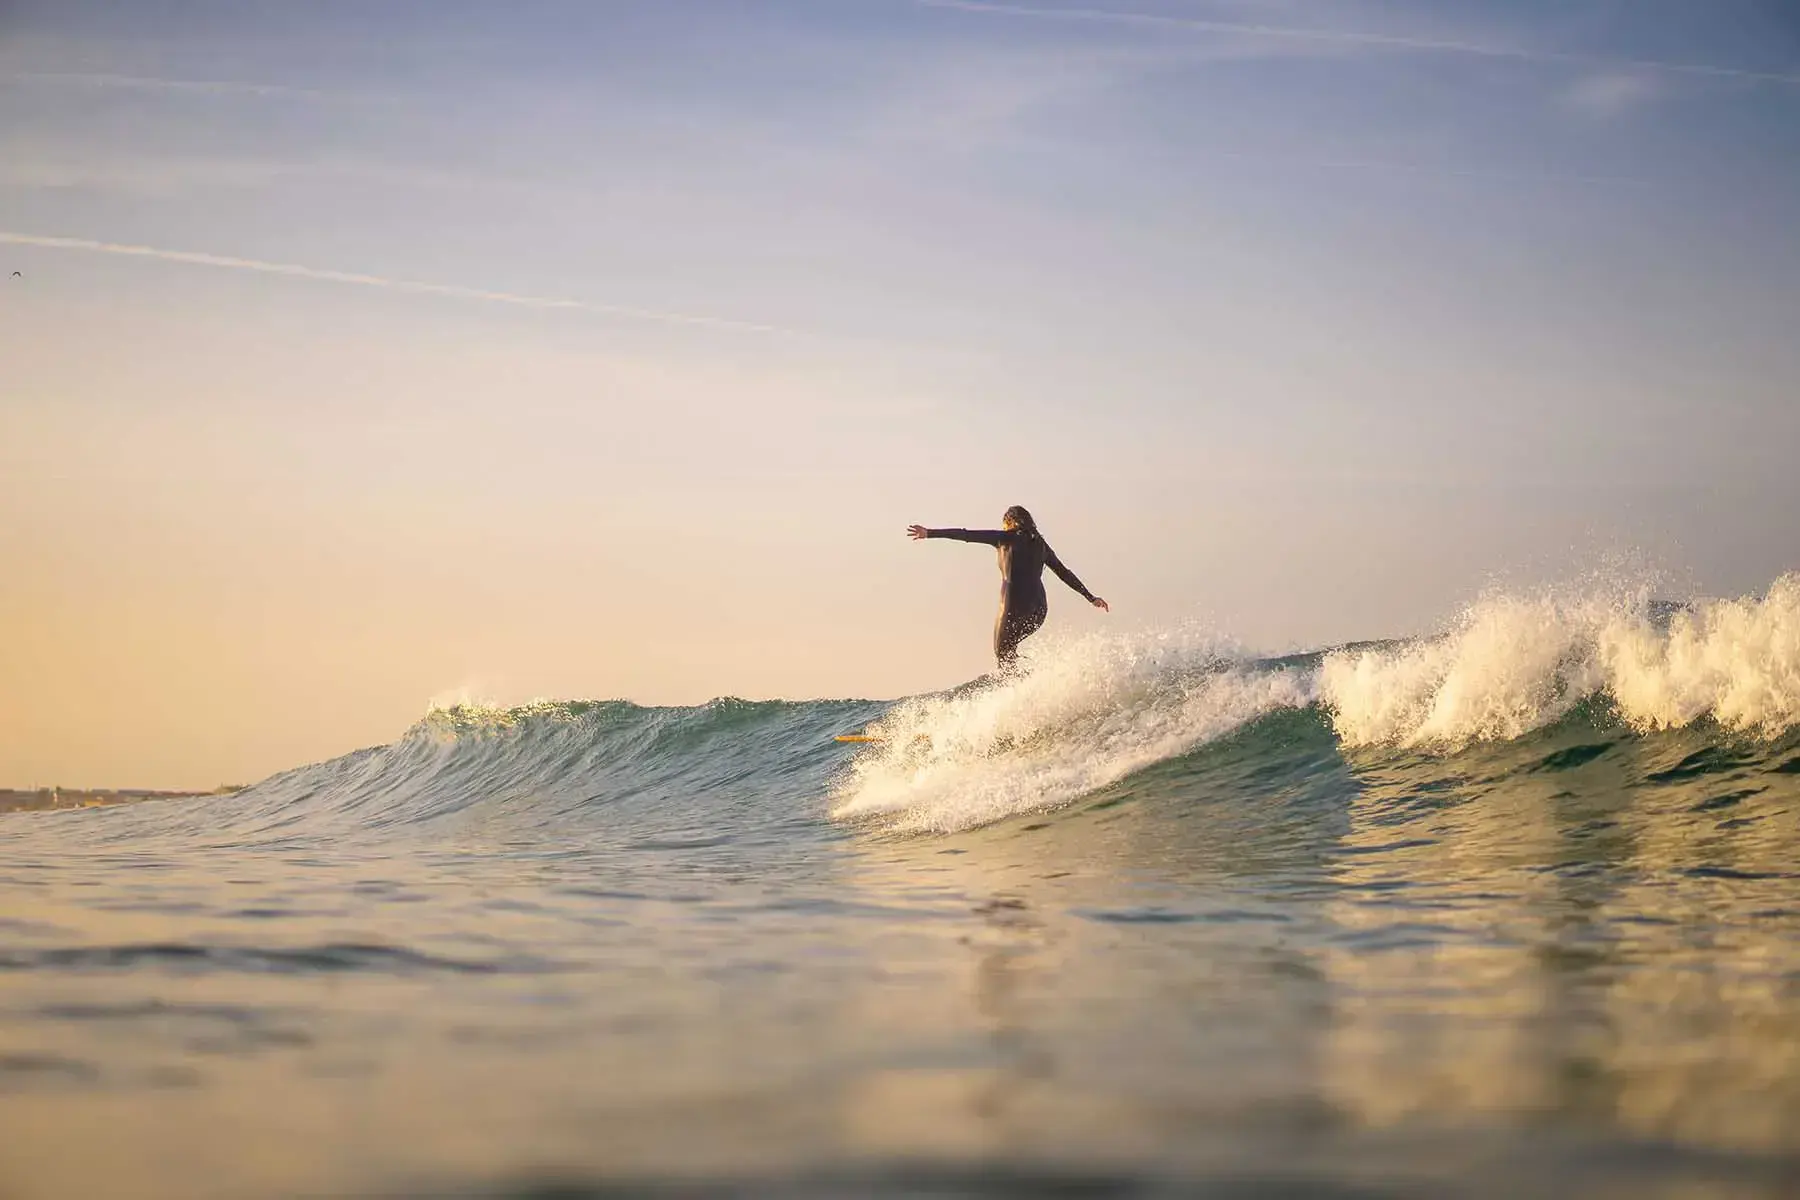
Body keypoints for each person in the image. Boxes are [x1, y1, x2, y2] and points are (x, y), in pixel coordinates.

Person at [907, 505, 1109, 670]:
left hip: (1013, 605)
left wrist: (929, 533)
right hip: (1039, 610)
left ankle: (1019, 696)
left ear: (1009, 522)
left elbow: (966, 535)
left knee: (1002, 654)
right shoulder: (1040, 544)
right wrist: (1090, 597)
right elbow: (1063, 572)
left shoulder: (1005, 538)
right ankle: (1036, 685)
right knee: (1010, 650)